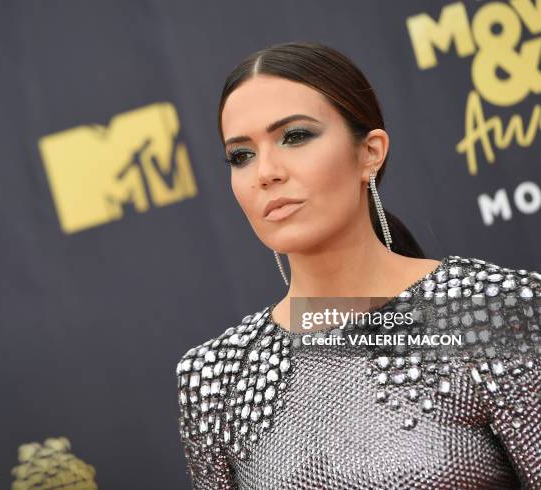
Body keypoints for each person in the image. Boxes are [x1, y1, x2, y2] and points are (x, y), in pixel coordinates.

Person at [175, 41, 540, 489]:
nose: (265, 172)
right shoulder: (216, 376)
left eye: (295, 136)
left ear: (370, 152)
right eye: (241, 155)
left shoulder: (494, 313)